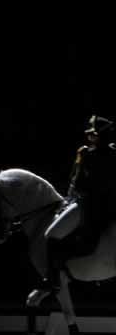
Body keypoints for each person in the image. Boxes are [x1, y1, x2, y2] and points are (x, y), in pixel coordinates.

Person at [41, 114, 116, 292]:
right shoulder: (109, 152)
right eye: (90, 135)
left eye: (93, 135)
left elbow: (77, 183)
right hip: (104, 205)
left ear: (101, 136)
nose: (90, 137)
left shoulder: (86, 153)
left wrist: (70, 199)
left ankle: (53, 279)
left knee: (51, 235)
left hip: (89, 206)